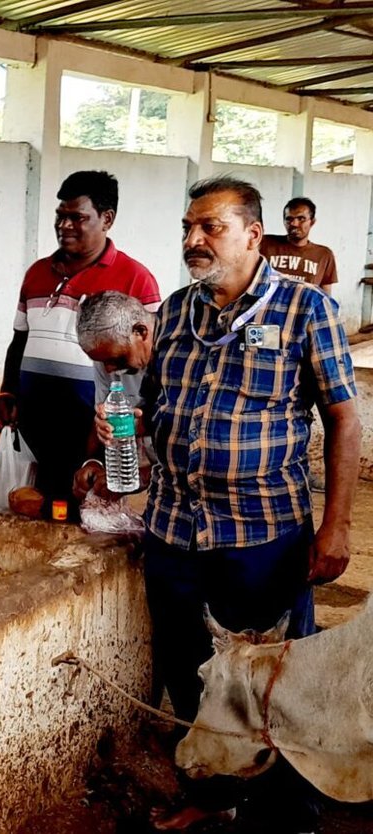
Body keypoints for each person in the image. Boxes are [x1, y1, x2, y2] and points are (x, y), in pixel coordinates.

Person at [124, 176, 359, 832]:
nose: (193, 240)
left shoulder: (305, 310)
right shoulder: (173, 313)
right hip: (172, 535)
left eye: (210, 227)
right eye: (187, 227)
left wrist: (335, 525)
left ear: (253, 236)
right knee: (188, 673)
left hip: (262, 539)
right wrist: (113, 452)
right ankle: (210, 795)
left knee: (275, 683)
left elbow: (345, 419)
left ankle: (289, 815)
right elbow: (146, 410)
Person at [0, 170, 160, 519]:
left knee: (87, 506)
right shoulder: (38, 272)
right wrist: (9, 391)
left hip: (93, 420)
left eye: (77, 217)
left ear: (107, 219)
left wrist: (119, 434)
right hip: (36, 416)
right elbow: (19, 339)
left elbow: (147, 363)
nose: (65, 225)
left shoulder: (135, 277)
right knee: (35, 505)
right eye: (60, 216)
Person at [69, 291, 156, 500]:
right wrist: (93, 462)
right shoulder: (107, 360)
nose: (109, 370)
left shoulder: (182, 357)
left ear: (141, 332)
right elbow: (103, 419)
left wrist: (143, 475)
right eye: (101, 361)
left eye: (115, 359)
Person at [261, 196, 338, 289]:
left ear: (312, 222)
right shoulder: (264, 244)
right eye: (289, 219)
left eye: (301, 219)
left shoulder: (324, 255)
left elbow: (325, 297)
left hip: (305, 303)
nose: (294, 224)